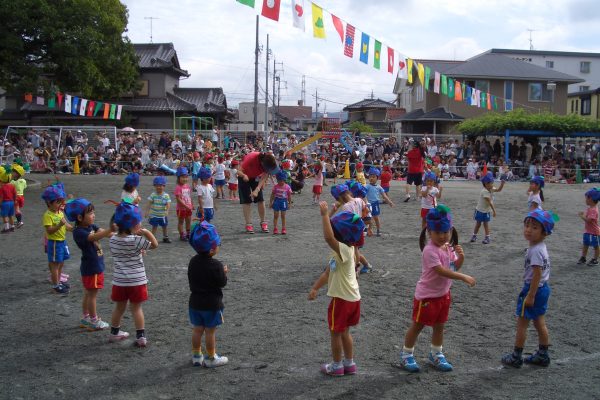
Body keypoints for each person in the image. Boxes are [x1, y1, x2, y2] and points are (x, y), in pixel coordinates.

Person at [399, 206, 476, 372]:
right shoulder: (429, 250)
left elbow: (453, 267)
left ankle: (436, 353)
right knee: (418, 325)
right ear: (429, 232)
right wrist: (463, 277)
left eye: (445, 232)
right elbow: (441, 271)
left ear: (450, 230)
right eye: (437, 232)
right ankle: (406, 355)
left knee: (440, 325)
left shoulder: (448, 247)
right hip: (427, 297)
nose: (442, 236)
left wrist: (461, 258)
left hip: (443, 295)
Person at [308, 204, 365, 376]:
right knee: (345, 332)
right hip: (353, 299)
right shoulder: (348, 251)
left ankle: (337, 366)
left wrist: (324, 215)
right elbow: (328, 273)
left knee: (335, 334)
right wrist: (315, 288)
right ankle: (349, 363)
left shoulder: (344, 250)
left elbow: (328, 238)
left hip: (341, 300)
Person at [501, 209, 556, 368]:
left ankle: (516, 356)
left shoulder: (535, 251)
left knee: (522, 324)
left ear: (544, 232)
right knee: (539, 322)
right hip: (543, 289)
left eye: (534, 227)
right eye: (527, 225)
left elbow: (537, 274)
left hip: (534, 289)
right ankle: (543, 354)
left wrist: (530, 295)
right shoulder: (540, 247)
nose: (528, 230)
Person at [109, 201, 158, 346]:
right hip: (137, 281)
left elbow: (123, 249)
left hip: (119, 281)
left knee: (119, 308)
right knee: (136, 308)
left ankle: (114, 332)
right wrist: (147, 233)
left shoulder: (113, 239)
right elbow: (155, 245)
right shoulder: (137, 240)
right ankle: (140, 336)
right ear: (133, 225)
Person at [65, 198, 114, 330]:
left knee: (88, 293)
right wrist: (110, 230)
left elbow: (103, 232)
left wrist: (119, 233)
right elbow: (94, 237)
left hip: (92, 266)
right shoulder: (79, 232)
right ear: (80, 217)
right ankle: (94, 320)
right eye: (90, 213)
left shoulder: (90, 226)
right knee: (92, 295)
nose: (94, 215)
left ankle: (86, 317)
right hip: (92, 268)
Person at [188, 221, 229, 367]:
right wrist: (223, 273)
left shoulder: (193, 262)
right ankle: (211, 357)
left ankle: (196, 355)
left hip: (195, 303)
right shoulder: (216, 265)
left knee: (197, 329)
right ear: (212, 249)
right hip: (211, 304)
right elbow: (222, 283)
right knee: (210, 332)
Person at [236, 151, 279, 234]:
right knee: (247, 200)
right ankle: (248, 224)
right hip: (244, 176)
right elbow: (238, 171)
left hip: (256, 177)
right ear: (262, 163)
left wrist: (257, 189)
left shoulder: (270, 161)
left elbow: (265, 176)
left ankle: (263, 222)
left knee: (260, 199)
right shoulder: (251, 158)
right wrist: (244, 176)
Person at [41, 182, 73, 294]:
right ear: (49, 203)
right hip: (54, 243)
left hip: (62, 242)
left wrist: (74, 228)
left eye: (61, 202)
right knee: (55, 265)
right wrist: (59, 225)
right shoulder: (48, 215)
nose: (60, 204)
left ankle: (58, 281)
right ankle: (55, 285)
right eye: (58, 202)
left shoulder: (59, 212)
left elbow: (67, 225)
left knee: (61, 263)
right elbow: (49, 230)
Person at [470, 172, 505, 244]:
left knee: (486, 224)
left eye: (492, 182)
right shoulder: (484, 191)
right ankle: (474, 236)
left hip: (486, 211)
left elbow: (498, 190)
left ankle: (487, 237)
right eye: (490, 183)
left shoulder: (491, 188)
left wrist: (502, 184)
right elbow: (489, 202)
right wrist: (494, 211)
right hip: (480, 210)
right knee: (478, 224)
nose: (492, 184)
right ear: (485, 184)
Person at [365, 167, 394, 236]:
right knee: (369, 219)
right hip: (368, 205)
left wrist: (390, 202)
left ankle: (378, 230)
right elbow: (363, 194)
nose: (371, 178)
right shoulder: (367, 186)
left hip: (375, 205)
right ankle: (369, 230)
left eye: (373, 177)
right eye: (370, 177)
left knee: (376, 218)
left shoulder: (379, 187)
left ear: (377, 178)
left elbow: (384, 196)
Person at [145, 176, 171, 243]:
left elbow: (168, 203)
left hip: (163, 215)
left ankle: (165, 237)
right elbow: (149, 203)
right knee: (154, 226)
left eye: (161, 185)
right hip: (154, 215)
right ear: (154, 186)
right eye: (157, 185)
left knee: (164, 226)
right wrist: (147, 211)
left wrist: (167, 210)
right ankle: (152, 238)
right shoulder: (153, 195)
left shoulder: (166, 195)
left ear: (164, 186)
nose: (159, 187)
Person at [578, 188, 600, 265]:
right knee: (585, 244)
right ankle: (583, 257)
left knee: (596, 246)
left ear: (591, 199)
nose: (585, 200)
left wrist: (581, 216)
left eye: (586, 198)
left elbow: (589, 220)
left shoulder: (594, 210)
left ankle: (595, 259)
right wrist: (583, 214)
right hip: (588, 231)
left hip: (594, 232)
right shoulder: (590, 208)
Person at [270, 170, 292, 235]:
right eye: (279, 180)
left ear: (284, 180)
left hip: (284, 201)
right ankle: (275, 228)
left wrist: (289, 203)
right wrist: (271, 202)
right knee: (276, 215)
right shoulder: (275, 187)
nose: (281, 182)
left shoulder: (287, 187)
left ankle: (283, 228)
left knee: (283, 215)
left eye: (282, 180)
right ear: (277, 180)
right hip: (277, 201)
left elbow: (289, 196)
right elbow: (272, 195)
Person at [175, 167, 194, 241]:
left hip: (188, 208)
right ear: (179, 178)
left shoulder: (188, 186)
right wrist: (186, 206)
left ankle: (188, 233)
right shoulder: (178, 187)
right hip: (181, 209)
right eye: (183, 177)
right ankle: (182, 234)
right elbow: (178, 199)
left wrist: (192, 204)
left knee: (188, 220)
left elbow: (189, 196)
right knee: (181, 221)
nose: (185, 179)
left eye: (186, 177)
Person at [0, 166, 17, 233]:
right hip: (11, 202)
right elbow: (15, 194)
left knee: (5, 216)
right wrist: (15, 200)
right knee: (10, 215)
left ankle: (6, 228)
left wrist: (0, 203)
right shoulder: (12, 186)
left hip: (5, 203)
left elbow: (1, 197)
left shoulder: (2, 188)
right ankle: (12, 227)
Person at [10, 163, 27, 228]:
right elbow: (25, 187)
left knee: (16, 209)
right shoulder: (24, 181)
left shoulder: (12, 182)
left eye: (13, 172)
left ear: (17, 174)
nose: (12, 173)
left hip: (16, 197)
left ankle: (20, 222)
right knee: (17, 208)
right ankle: (17, 220)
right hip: (22, 197)